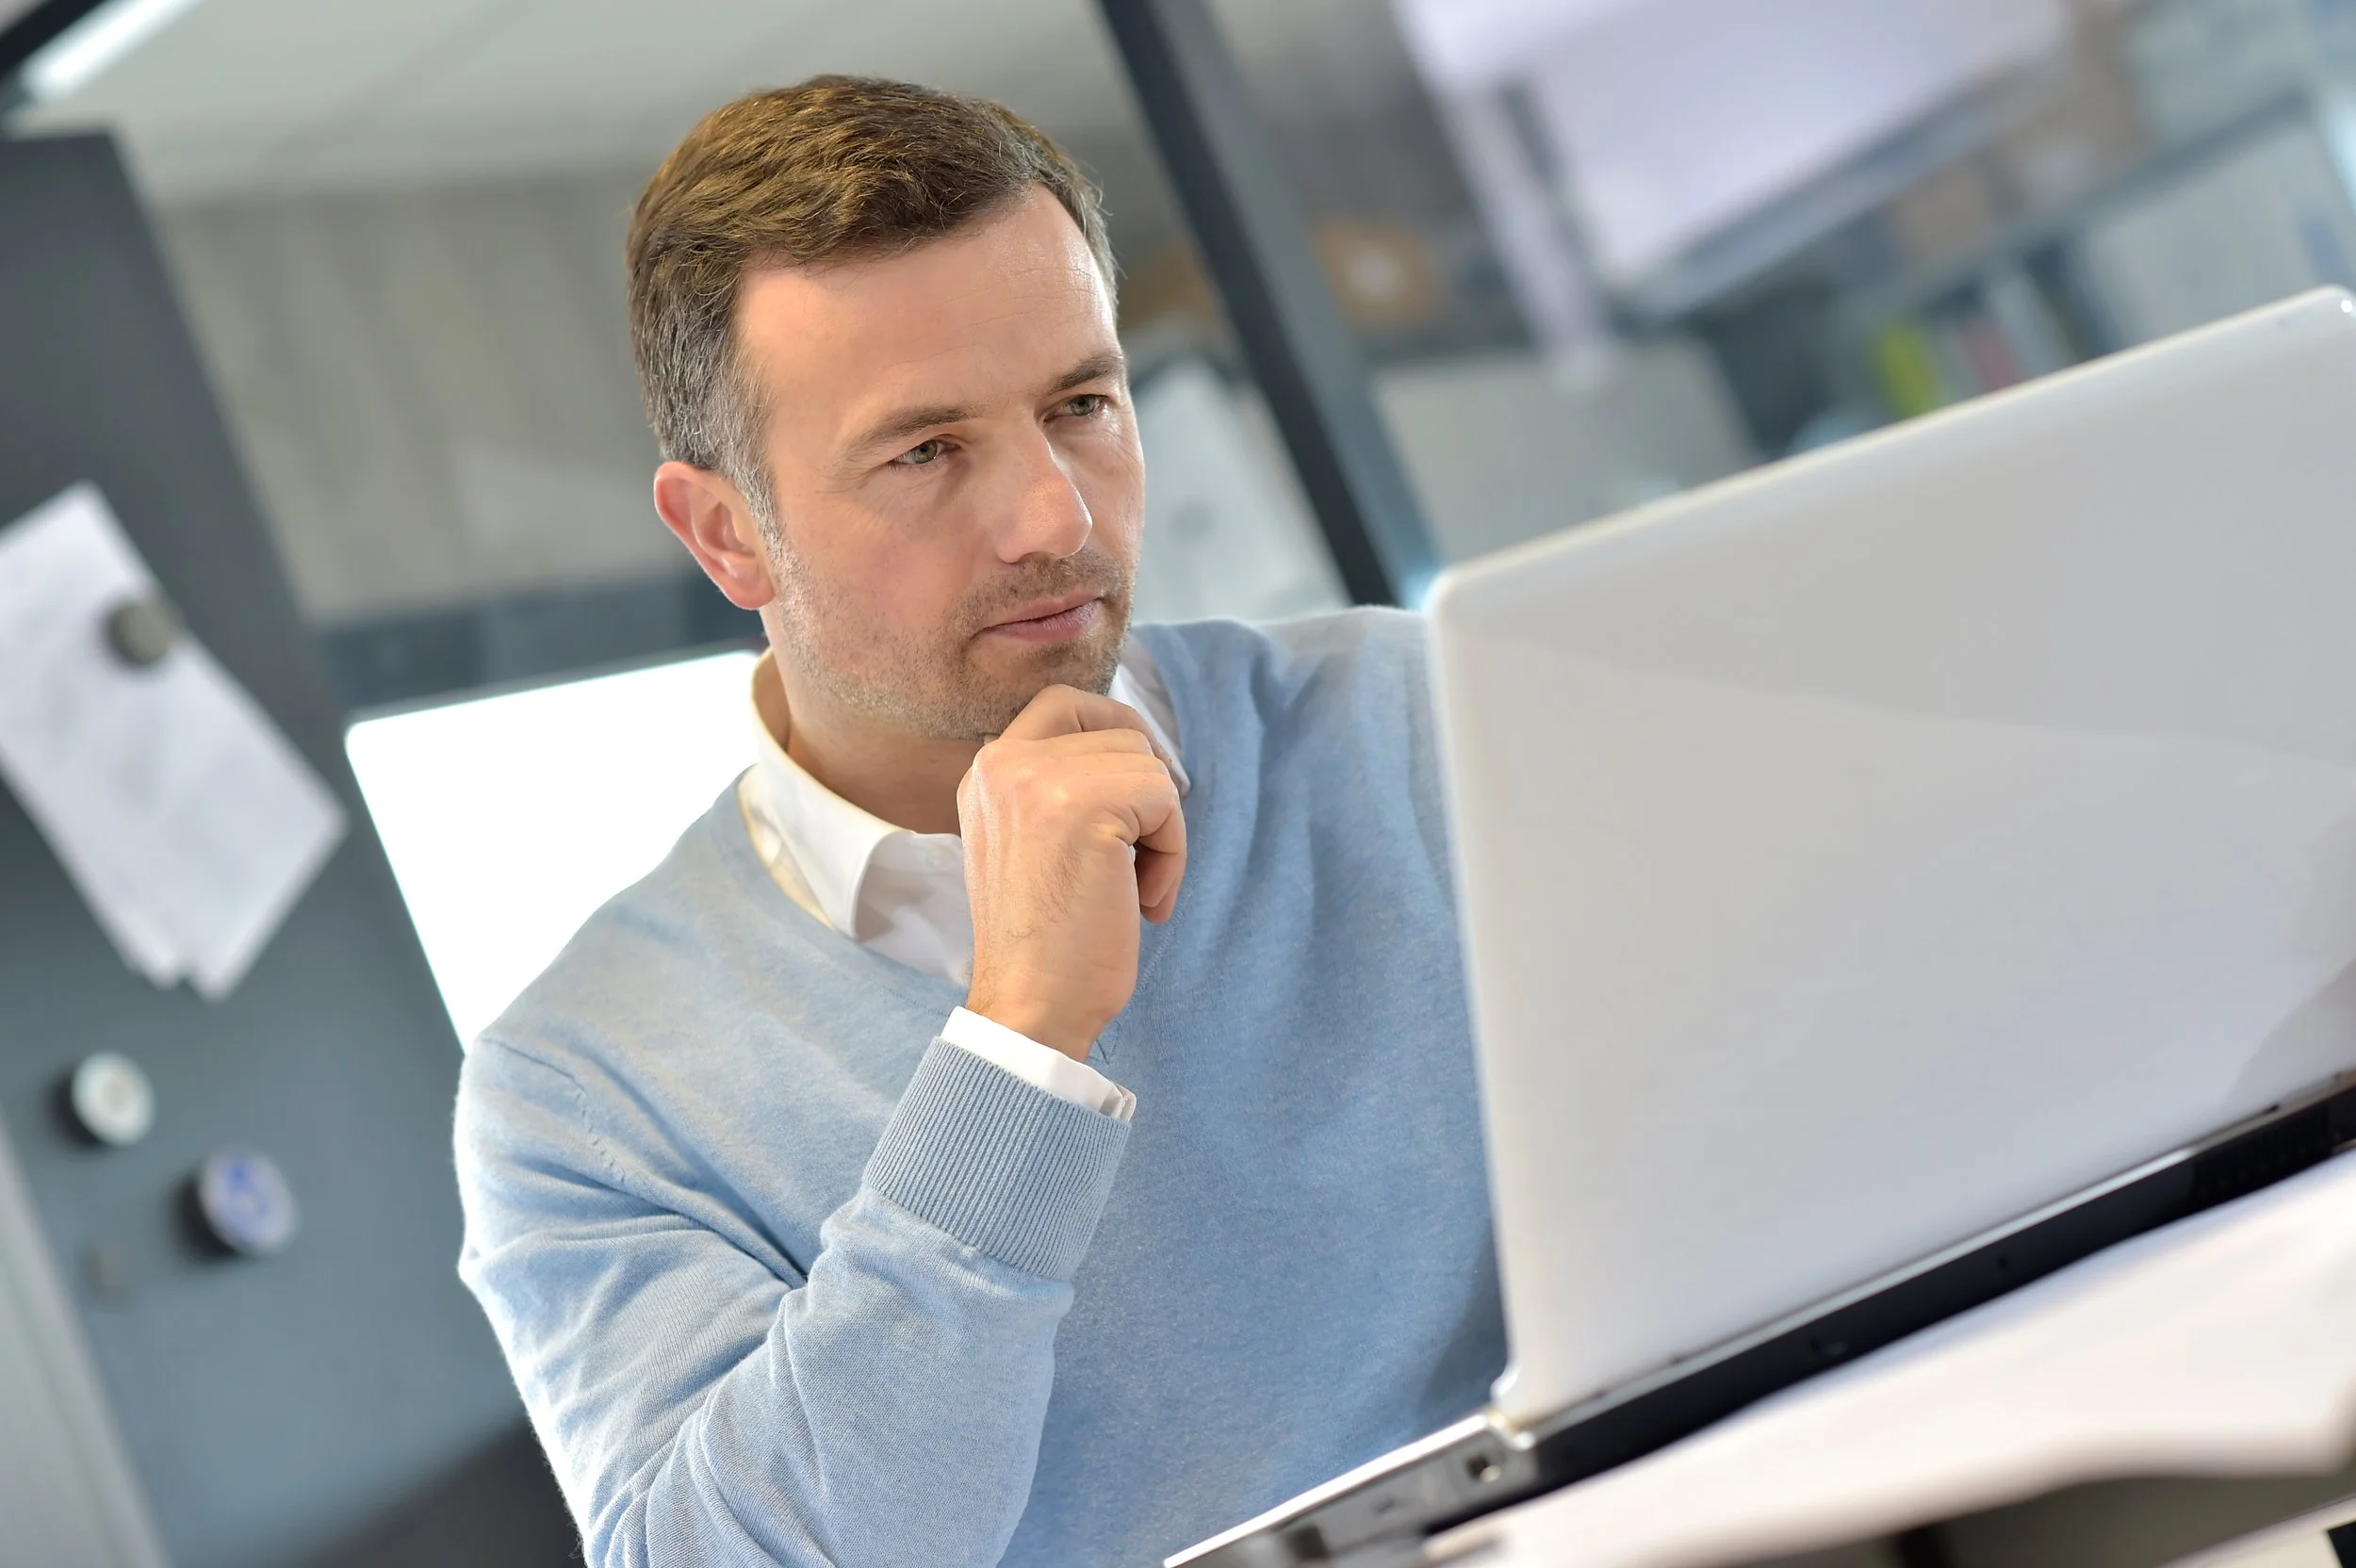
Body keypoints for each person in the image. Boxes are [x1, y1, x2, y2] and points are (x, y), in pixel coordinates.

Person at [454, 74, 1501, 1568]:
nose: (1053, 519)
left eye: (1081, 405)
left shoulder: (1406, 718)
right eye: (926, 452)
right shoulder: (583, 1089)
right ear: (727, 532)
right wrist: (1018, 1048)